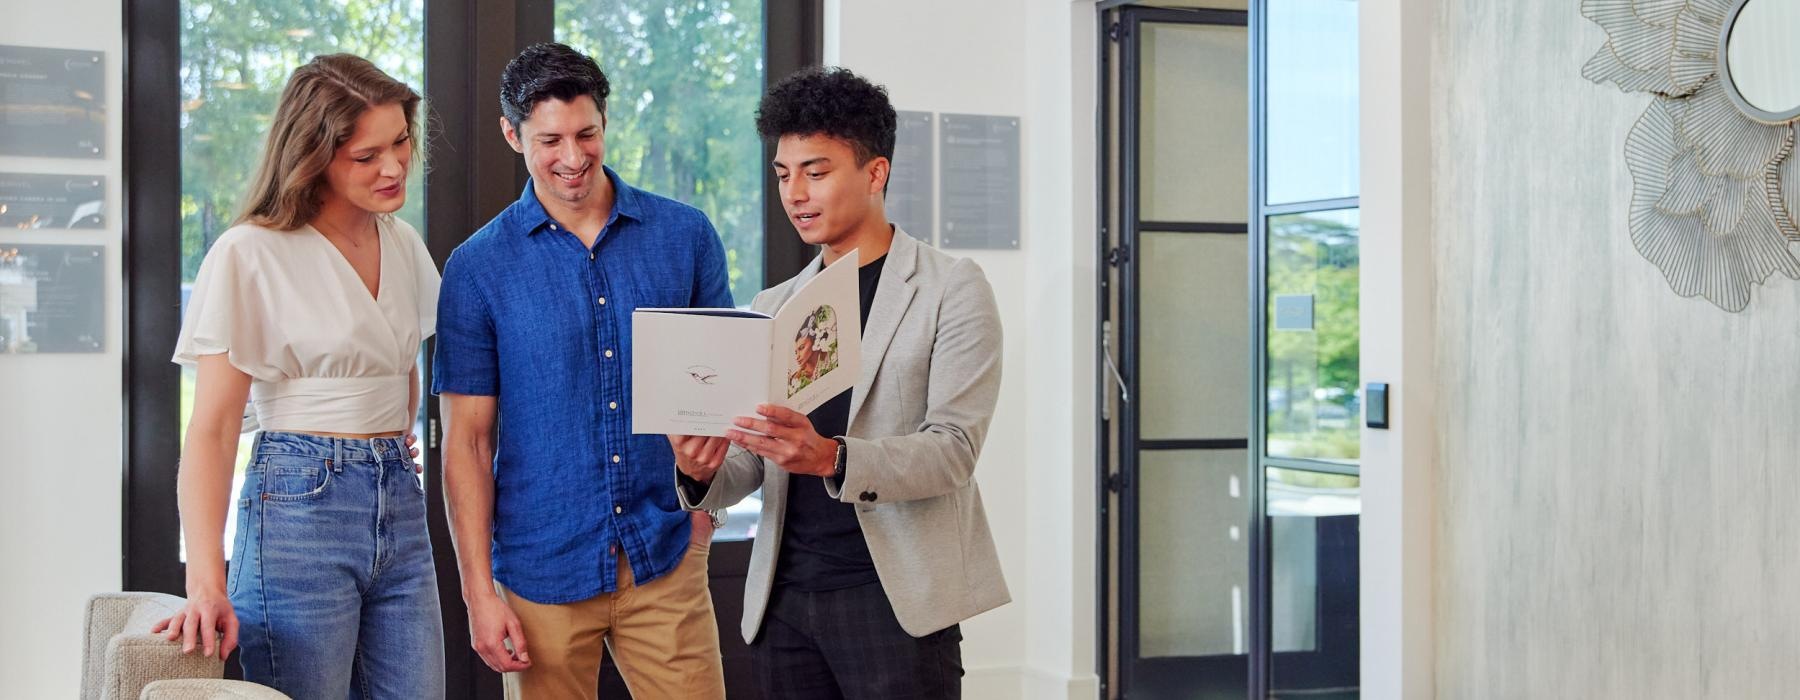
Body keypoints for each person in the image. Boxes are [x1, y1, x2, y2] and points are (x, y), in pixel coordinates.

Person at [671, 66, 1008, 699]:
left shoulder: (950, 289)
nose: (795, 193)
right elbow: (750, 462)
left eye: (816, 172)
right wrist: (700, 471)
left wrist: (830, 456)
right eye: (782, 174)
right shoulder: (772, 305)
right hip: (783, 601)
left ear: (875, 173)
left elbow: (955, 449)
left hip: (894, 602)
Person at [433, 42, 730, 699]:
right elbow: (469, 444)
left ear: (605, 122)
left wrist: (704, 498)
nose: (573, 158)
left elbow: (719, 390)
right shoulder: (477, 268)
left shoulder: (686, 236)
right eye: (550, 140)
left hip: (664, 554)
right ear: (513, 135)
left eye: (586, 133)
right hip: (542, 569)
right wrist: (480, 593)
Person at [154, 53, 445, 698]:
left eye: (400, 141)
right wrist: (207, 581)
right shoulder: (250, 252)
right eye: (366, 155)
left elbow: (399, 361)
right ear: (313, 154)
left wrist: (389, 442)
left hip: (397, 502)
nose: (394, 166)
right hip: (298, 507)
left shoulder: (402, 244)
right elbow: (212, 429)